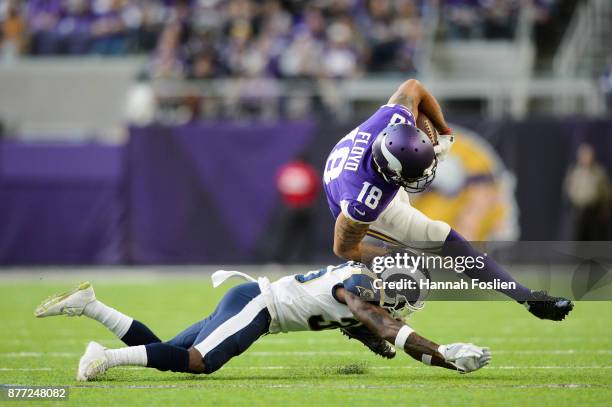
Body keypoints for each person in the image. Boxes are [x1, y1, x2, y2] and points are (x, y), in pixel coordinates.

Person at [322, 78, 573, 327]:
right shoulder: (364, 201)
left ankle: (526, 298)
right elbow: (344, 249)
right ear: (393, 176)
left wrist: (444, 130)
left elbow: (413, 87)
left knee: (447, 245)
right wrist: (396, 258)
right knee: (442, 244)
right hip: (352, 192)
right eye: (413, 176)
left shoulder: (394, 120)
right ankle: (371, 316)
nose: (426, 178)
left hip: (362, 169)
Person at [35, 262, 492, 381]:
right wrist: (442, 355)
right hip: (259, 305)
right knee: (197, 362)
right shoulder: (361, 289)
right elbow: (389, 329)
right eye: (404, 301)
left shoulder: (362, 295)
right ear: (390, 291)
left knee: (167, 351)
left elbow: (379, 337)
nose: (402, 309)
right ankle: (104, 358)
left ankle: (91, 305)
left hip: (251, 301)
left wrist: (385, 348)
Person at [564, 143, 611, 240]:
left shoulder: (599, 172)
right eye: (584, 155)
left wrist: (605, 209)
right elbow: (568, 190)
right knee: (579, 238)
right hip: (579, 210)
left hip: (594, 211)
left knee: (595, 238)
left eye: (589, 155)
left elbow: (606, 193)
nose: (586, 158)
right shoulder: (575, 172)